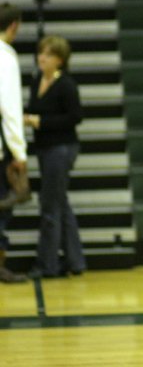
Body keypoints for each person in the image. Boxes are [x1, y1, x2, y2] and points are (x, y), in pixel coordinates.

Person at [23, 36, 86, 279]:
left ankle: (46, 265)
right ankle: (75, 260)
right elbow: (34, 108)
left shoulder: (66, 85)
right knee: (61, 204)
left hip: (61, 149)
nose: (41, 58)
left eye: (47, 54)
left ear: (59, 60)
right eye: (40, 53)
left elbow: (75, 117)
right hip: (45, 148)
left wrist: (41, 121)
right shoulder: (38, 79)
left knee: (50, 207)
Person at [0, 4, 28, 283]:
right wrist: (19, 152)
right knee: (2, 207)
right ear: (14, 26)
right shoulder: (5, 58)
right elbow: (9, 109)